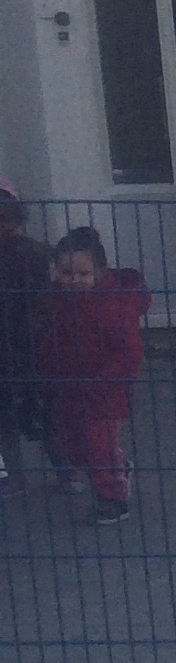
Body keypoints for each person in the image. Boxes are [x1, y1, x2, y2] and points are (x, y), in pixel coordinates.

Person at [39, 226, 148, 524]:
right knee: (73, 445)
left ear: (100, 271)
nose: (73, 280)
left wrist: (106, 380)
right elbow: (50, 339)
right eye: (65, 273)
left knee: (97, 443)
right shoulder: (56, 301)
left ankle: (112, 499)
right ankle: (117, 469)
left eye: (82, 274)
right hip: (68, 385)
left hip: (103, 389)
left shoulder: (111, 305)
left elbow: (129, 350)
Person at [0, 179, 49, 495]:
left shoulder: (30, 253)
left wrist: (34, 336)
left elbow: (41, 301)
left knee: (46, 414)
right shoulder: (31, 251)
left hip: (28, 343)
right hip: (10, 346)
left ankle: (67, 470)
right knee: (5, 420)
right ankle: (13, 475)